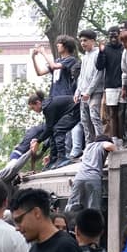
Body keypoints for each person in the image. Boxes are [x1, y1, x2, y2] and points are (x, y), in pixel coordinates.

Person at [32, 36, 82, 166]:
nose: (57, 46)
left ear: (66, 46)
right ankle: (54, 159)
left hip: (65, 99)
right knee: (52, 130)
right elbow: (39, 72)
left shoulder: (70, 60)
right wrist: (34, 57)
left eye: (59, 44)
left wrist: (43, 52)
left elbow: (54, 66)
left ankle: (61, 156)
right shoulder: (58, 60)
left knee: (57, 129)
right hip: (54, 99)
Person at [66, 140, 115, 213]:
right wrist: (118, 151)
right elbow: (109, 146)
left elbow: (85, 161)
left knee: (72, 207)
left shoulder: (88, 146)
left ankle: (69, 221)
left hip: (79, 178)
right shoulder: (102, 143)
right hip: (93, 178)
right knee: (93, 209)